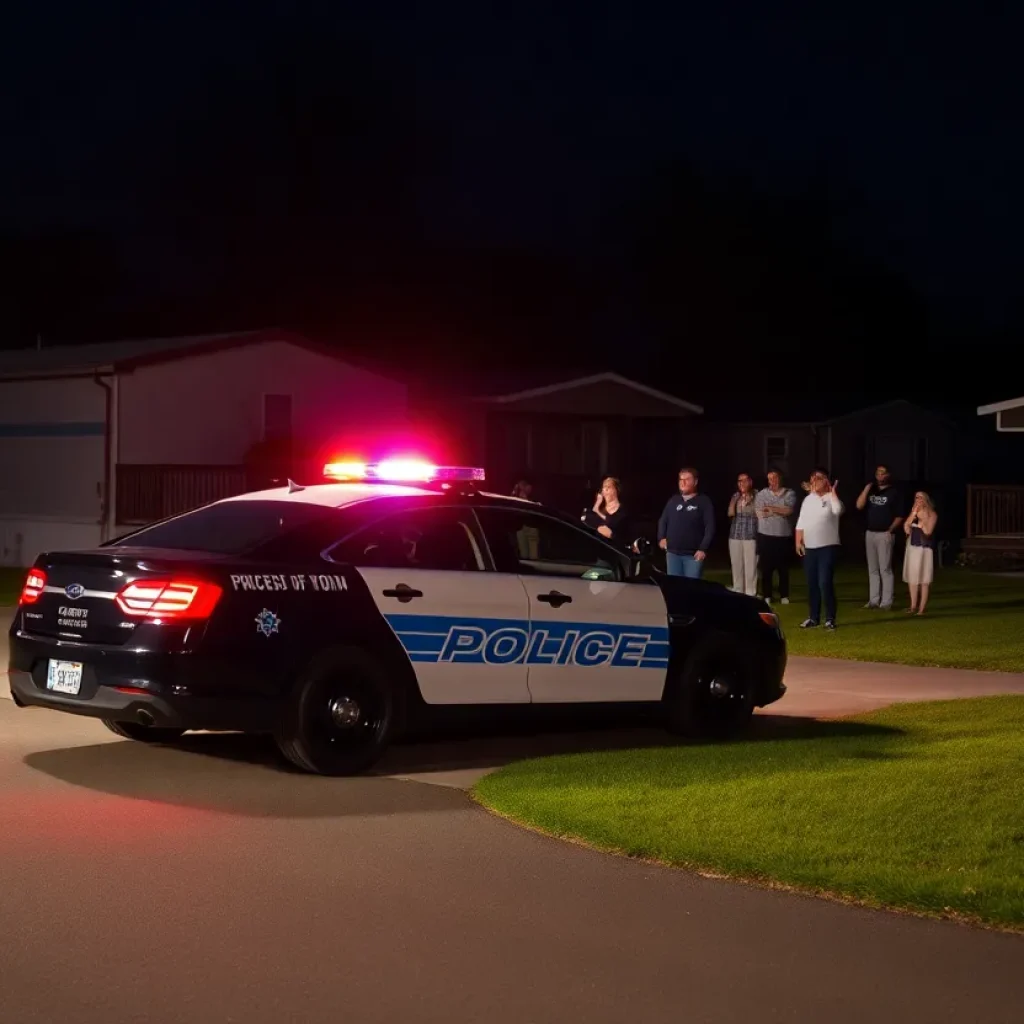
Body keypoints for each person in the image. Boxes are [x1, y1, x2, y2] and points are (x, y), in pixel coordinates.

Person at [795, 468, 844, 630]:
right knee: (812, 584)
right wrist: (798, 542)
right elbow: (801, 522)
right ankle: (813, 617)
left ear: (826, 481)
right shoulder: (808, 500)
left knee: (824, 582)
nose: (814, 481)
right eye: (812, 478)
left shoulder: (831, 498)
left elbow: (838, 510)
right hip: (810, 547)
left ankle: (830, 618)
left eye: (819, 478)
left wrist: (833, 492)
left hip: (827, 547)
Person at [855, 464, 904, 610]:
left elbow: (900, 514)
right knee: (873, 569)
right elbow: (859, 506)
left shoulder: (894, 493)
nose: (880, 476)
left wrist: (891, 529)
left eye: (883, 473)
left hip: (885, 533)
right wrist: (866, 489)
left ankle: (886, 601)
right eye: (878, 473)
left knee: (885, 568)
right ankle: (873, 600)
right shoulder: (872, 491)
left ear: (888, 475)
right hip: (870, 533)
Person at [658, 467, 715, 578]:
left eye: (687, 479)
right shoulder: (673, 500)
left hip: (693, 555)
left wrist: (703, 549)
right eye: (680, 479)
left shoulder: (703, 501)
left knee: (692, 589)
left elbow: (710, 527)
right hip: (672, 553)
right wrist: (661, 538)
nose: (683, 483)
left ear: (695, 482)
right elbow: (663, 520)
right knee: (674, 588)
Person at [754, 469, 797, 605]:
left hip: (783, 536)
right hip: (765, 535)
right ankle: (767, 595)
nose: (772, 481)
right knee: (766, 568)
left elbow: (788, 511)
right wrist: (779, 509)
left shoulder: (789, 493)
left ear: (780, 478)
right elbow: (760, 513)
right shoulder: (762, 494)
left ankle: (784, 594)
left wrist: (771, 509)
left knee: (783, 567)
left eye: (774, 478)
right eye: (769, 478)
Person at [903, 491, 938, 615]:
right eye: (916, 497)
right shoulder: (914, 513)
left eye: (921, 498)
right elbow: (906, 527)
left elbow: (928, 531)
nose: (918, 500)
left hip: (925, 550)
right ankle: (913, 606)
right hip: (913, 548)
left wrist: (921, 522)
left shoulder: (932, 514)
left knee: (924, 579)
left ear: (925, 500)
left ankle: (921, 609)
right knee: (913, 578)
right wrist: (913, 515)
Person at [727, 472, 759, 596]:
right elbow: (730, 513)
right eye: (740, 481)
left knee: (750, 565)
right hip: (735, 534)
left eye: (745, 480)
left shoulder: (757, 495)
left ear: (750, 482)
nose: (742, 483)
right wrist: (734, 502)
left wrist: (749, 501)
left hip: (750, 535)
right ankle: (738, 589)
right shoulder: (736, 496)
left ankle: (751, 592)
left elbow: (758, 512)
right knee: (736, 564)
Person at [582, 477, 631, 546]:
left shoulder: (623, 513)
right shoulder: (596, 511)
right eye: (604, 487)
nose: (606, 489)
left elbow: (626, 538)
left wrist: (611, 535)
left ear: (617, 490)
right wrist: (597, 506)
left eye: (609, 486)